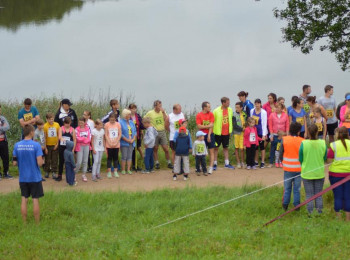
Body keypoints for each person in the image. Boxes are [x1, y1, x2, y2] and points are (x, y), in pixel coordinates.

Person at [12, 125, 44, 224]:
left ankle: (24, 223)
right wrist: (42, 161)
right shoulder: (36, 145)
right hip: (34, 177)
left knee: (24, 199)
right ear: (31, 132)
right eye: (33, 131)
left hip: (23, 178)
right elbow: (39, 163)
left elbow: (14, 163)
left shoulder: (17, 145)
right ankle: (37, 223)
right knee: (35, 199)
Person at [299, 124, 327, 215]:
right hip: (319, 173)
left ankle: (310, 213)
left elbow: (300, 159)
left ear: (308, 133)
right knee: (318, 195)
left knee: (309, 195)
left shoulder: (304, 143)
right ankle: (319, 213)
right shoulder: (323, 143)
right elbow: (325, 157)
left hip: (307, 173)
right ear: (317, 132)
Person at [327, 127, 350, 221]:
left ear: (337, 135)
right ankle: (348, 220)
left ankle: (339, 220)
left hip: (335, 175)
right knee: (348, 196)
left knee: (338, 196)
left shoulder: (333, 145)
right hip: (348, 175)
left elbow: (329, 160)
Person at [279, 122, 303, 211]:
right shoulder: (302, 141)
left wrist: (283, 162)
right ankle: (297, 206)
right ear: (298, 131)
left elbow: (281, 153)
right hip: (298, 169)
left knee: (287, 188)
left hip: (287, 168)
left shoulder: (284, 139)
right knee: (297, 189)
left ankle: (285, 205)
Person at [144, 100, 173, 169]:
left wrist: (163, 112)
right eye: (159, 106)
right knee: (155, 148)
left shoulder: (162, 112)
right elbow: (144, 119)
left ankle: (169, 162)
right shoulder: (150, 113)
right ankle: (157, 162)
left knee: (165, 148)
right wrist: (149, 125)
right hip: (155, 132)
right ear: (155, 106)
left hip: (162, 131)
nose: (160, 107)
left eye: (161, 106)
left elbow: (166, 119)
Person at [213, 97, 235, 169]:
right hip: (218, 133)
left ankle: (227, 163)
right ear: (223, 103)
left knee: (226, 147)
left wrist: (230, 130)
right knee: (216, 148)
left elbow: (230, 120)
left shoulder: (230, 110)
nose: (229, 104)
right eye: (227, 103)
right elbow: (213, 121)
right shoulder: (216, 111)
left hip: (226, 132)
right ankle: (214, 163)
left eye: (229, 102)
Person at [268, 103, 289, 168]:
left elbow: (287, 126)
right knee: (273, 148)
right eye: (276, 107)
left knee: (282, 149)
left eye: (278, 108)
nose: (277, 109)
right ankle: (271, 162)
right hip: (274, 134)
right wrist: (271, 135)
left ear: (282, 109)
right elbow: (270, 126)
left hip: (282, 135)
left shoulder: (285, 115)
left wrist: (287, 134)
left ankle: (281, 162)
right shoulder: (272, 115)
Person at [196, 101, 215, 174]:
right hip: (201, 135)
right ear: (204, 107)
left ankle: (210, 167)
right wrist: (207, 126)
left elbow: (211, 125)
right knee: (201, 152)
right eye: (208, 107)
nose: (210, 108)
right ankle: (201, 166)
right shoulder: (199, 115)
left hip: (210, 134)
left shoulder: (211, 114)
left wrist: (209, 135)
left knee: (211, 151)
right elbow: (199, 126)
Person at [57, 117, 76, 182]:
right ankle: (59, 175)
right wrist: (62, 139)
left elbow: (74, 139)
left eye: (68, 123)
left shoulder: (72, 129)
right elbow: (59, 137)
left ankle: (70, 175)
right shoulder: (61, 128)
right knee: (61, 161)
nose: (67, 125)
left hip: (69, 148)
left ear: (70, 123)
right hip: (62, 147)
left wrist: (73, 148)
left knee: (69, 162)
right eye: (65, 123)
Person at [250, 99, 268, 168]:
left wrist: (264, 134)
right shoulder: (252, 111)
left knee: (262, 147)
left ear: (260, 104)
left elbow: (264, 123)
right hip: (254, 131)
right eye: (256, 104)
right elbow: (251, 120)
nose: (257, 105)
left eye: (258, 104)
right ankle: (256, 161)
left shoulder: (263, 112)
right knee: (255, 147)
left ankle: (263, 162)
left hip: (261, 131)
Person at [120, 109, 137, 175]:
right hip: (124, 142)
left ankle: (128, 169)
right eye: (129, 114)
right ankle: (123, 169)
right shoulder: (120, 122)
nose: (130, 115)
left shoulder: (131, 122)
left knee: (130, 156)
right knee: (124, 156)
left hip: (131, 142)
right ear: (125, 115)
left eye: (130, 114)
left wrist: (133, 139)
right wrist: (126, 140)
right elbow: (120, 133)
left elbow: (135, 131)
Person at [43, 112, 60, 179]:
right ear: (47, 119)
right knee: (47, 159)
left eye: (52, 119)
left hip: (55, 144)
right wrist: (45, 147)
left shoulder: (57, 125)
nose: (51, 121)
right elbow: (44, 137)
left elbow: (59, 134)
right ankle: (47, 171)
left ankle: (54, 171)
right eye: (49, 119)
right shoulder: (45, 126)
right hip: (48, 145)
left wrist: (57, 144)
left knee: (55, 159)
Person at [104, 113, 121, 178]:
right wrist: (109, 142)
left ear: (115, 119)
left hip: (116, 144)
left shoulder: (118, 124)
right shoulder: (107, 124)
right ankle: (109, 172)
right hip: (109, 144)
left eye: (113, 120)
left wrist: (116, 142)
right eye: (111, 120)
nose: (112, 121)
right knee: (109, 158)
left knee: (116, 158)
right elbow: (105, 134)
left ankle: (115, 171)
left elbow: (120, 134)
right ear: (109, 119)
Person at [129, 104, 145, 171]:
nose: (134, 110)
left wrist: (142, 129)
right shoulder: (128, 116)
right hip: (130, 135)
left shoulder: (137, 116)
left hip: (137, 134)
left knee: (138, 147)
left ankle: (140, 163)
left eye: (135, 108)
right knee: (132, 150)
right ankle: (133, 165)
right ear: (129, 109)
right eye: (132, 109)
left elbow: (141, 124)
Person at [75, 117, 91, 182]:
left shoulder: (88, 129)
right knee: (79, 162)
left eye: (82, 122)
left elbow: (89, 138)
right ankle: (74, 173)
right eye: (79, 122)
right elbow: (77, 138)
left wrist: (83, 139)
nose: (81, 124)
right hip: (79, 147)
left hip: (86, 146)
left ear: (84, 122)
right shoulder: (76, 129)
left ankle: (84, 174)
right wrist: (84, 139)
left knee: (85, 161)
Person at [0, 104, 12, 179]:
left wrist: (1, 128)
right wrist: (2, 127)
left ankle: (6, 172)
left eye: (0, 109)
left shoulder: (2, 118)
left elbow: (7, 127)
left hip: (3, 141)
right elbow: (4, 127)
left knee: (5, 157)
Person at [233, 102, 246, 169]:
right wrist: (242, 129)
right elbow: (234, 125)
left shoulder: (244, 114)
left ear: (241, 108)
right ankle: (238, 162)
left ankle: (242, 162)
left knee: (242, 148)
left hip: (243, 134)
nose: (236, 109)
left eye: (238, 107)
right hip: (236, 134)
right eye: (236, 107)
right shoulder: (234, 114)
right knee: (236, 148)